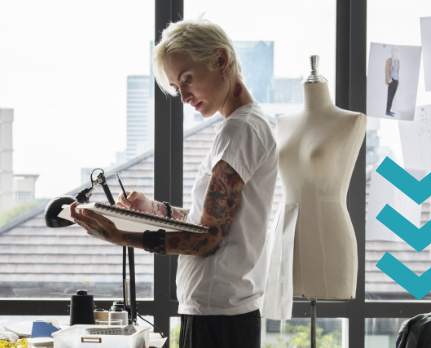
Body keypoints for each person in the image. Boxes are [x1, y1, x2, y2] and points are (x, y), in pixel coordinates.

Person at [70, 17, 278, 348]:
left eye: (188, 80)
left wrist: (120, 235)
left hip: (219, 320)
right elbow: (208, 222)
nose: (184, 97)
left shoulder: (239, 130)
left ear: (220, 61)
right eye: (177, 87)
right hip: (217, 313)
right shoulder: (245, 126)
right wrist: (154, 209)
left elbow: (208, 239)